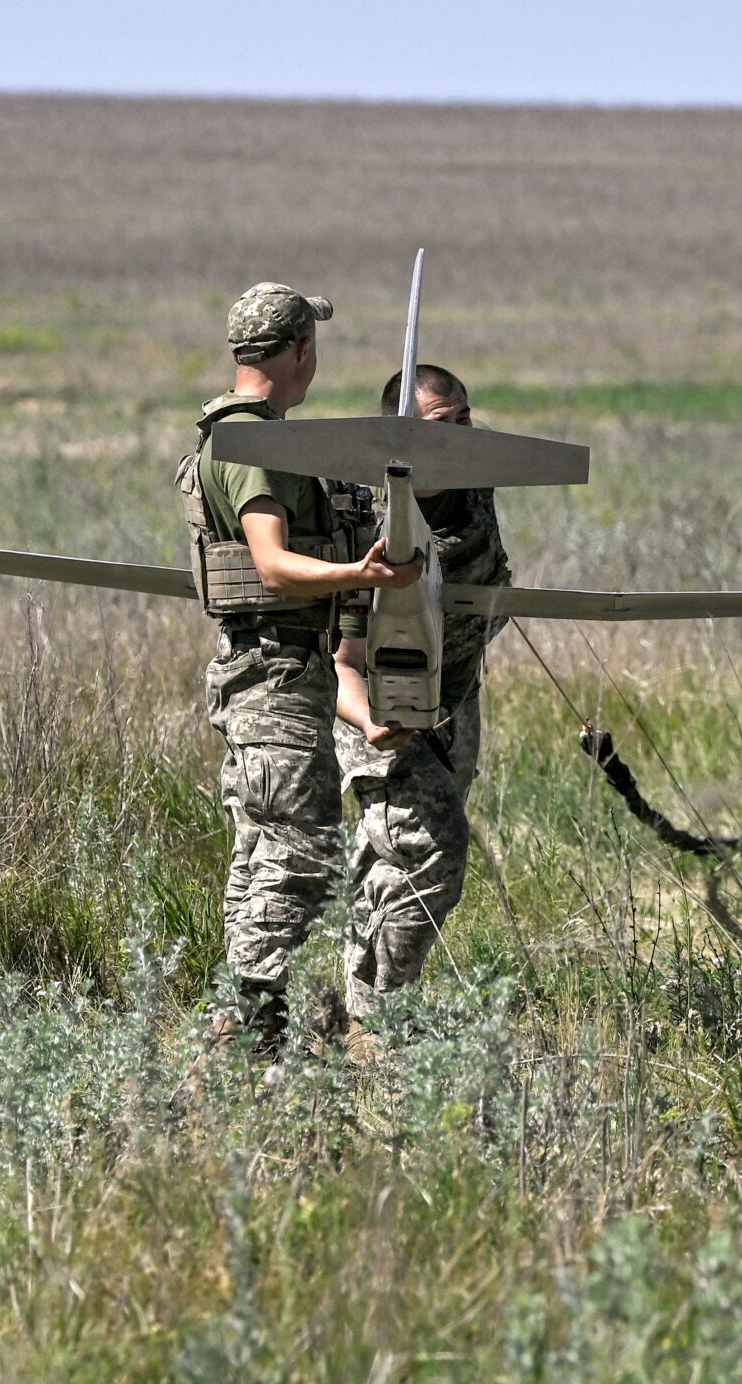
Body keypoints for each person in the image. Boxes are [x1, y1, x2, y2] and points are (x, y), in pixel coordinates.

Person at [178, 282, 422, 1054]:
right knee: (303, 852)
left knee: (260, 852)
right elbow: (275, 567)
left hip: (272, 671)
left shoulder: (233, 434)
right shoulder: (256, 446)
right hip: (276, 675)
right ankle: (244, 1024)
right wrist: (366, 578)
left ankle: (245, 1030)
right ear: (299, 351)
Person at [331, 363, 512, 1024]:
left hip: (456, 702)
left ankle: (353, 1018)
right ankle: (383, 1017)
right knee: (437, 851)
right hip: (382, 705)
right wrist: (374, 725)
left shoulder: (478, 488)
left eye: (466, 419)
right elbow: (340, 660)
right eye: (443, 426)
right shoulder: (364, 520)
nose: (462, 437)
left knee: (393, 861)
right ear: (397, 438)